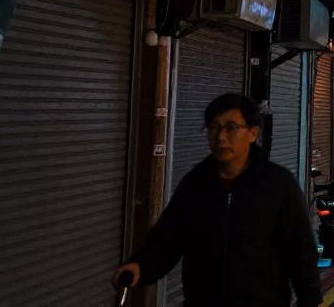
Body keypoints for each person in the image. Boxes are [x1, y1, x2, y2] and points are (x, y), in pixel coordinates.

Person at [112, 93, 320, 306]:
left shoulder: (278, 184)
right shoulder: (196, 183)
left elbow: (301, 251)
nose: (220, 136)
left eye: (231, 128)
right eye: (213, 127)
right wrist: (139, 267)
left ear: (253, 133)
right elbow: (167, 242)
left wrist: (309, 300)